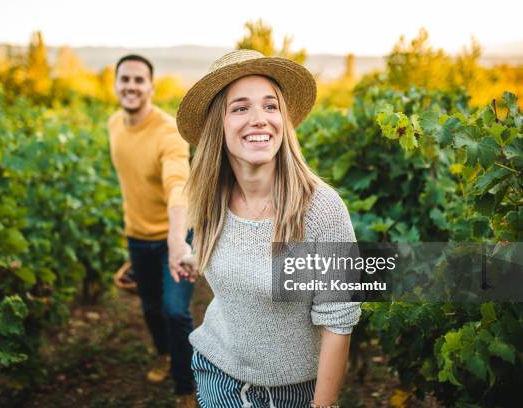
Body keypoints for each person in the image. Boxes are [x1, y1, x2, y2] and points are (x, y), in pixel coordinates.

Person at [176, 50, 361, 407]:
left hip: (296, 392)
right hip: (218, 375)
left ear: (284, 121)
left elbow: (339, 321)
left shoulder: (321, 210)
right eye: (241, 108)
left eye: (271, 106)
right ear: (220, 125)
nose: (259, 119)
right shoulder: (210, 198)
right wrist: (193, 257)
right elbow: (229, 252)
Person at [108, 54, 196, 406]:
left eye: (138, 80)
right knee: (150, 308)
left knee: (176, 311)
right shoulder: (114, 124)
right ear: (116, 85)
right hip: (136, 237)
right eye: (125, 79)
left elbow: (178, 184)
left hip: (174, 236)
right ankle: (163, 354)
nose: (131, 86)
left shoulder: (168, 132)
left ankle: (185, 385)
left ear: (151, 87)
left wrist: (177, 240)